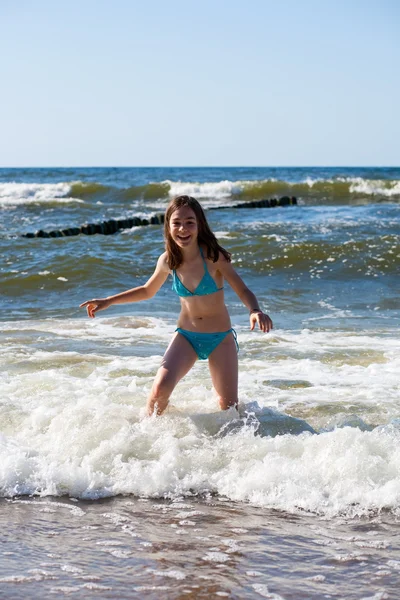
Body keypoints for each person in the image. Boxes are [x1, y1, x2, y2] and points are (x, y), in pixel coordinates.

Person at [80, 195, 273, 416]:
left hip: (220, 338)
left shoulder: (213, 257)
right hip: (187, 336)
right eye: (177, 223)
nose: (183, 228)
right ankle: (150, 438)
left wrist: (254, 310)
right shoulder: (168, 261)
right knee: (159, 391)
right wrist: (108, 301)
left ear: (199, 225)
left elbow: (242, 289)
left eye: (190, 222)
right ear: (168, 226)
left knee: (229, 409)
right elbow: (147, 290)